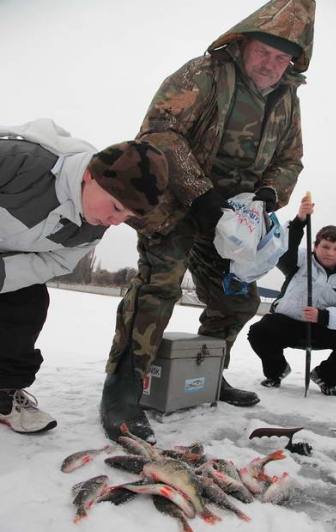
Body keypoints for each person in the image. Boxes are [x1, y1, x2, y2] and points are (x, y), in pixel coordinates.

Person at [100, 0, 316, 443]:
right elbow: (160, 131)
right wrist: (202, 196)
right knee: (160, 284)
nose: (271, 64)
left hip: (236, 222)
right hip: (178, 203)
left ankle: (210, 371)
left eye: (282, 58)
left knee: (238, 301)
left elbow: (290, 159)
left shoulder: (288, 98)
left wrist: (268, 194)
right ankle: (123, 385)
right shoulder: (204, 73)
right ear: (243, 43)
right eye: (264, 52)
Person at [0, 119, 168, 434]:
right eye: (116, 207)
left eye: (127, 217)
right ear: (90, 175)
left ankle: (3, 393)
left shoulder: (91, 228)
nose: (115, 222)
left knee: (29, 302)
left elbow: (50, 264)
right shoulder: (19, 160)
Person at [248, 195, 336, 398]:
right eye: (325, 247)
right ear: (315, 246)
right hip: (289, 323)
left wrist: (323, 316)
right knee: (259, 331)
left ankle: (326, 377)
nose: (330, 253)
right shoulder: (299, 260)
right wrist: (299, 222)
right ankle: (276, 371)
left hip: (325, 327)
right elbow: (282, 250)